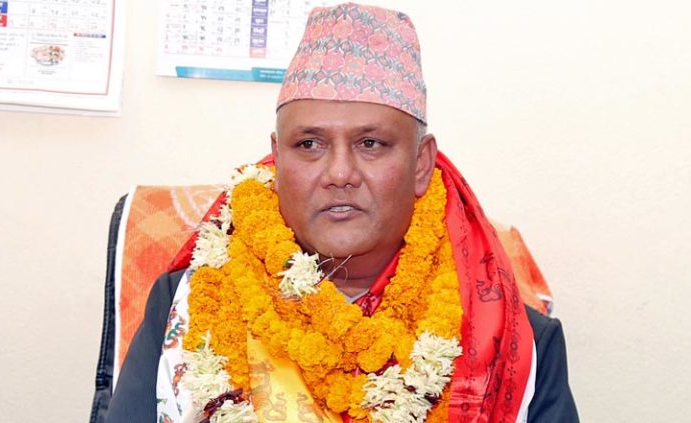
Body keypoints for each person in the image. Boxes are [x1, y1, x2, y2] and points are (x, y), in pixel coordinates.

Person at [105, 3, 579, 422]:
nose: (339, 173)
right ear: (277, 159)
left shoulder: (514, 342)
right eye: (309, 144)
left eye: (370, 143)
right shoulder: (185, 306)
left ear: (421, 164)